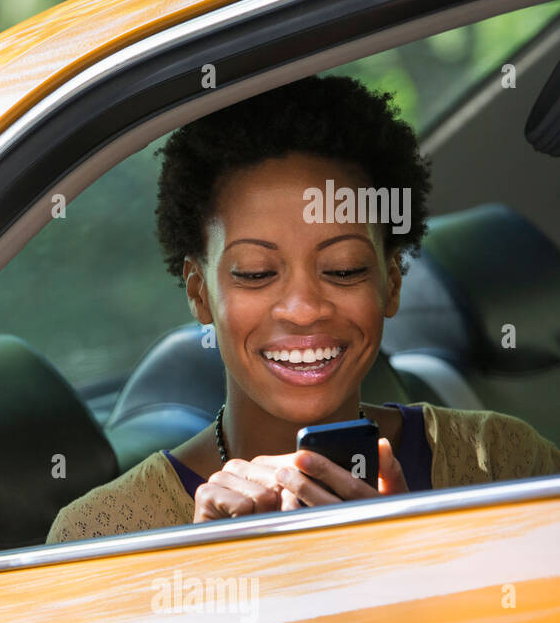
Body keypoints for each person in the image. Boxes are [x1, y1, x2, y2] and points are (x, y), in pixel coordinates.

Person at [47, 75, 560, 544]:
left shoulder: (502, 462)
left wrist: (412, 555)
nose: (303, 309)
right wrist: (209, 575)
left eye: (342, 269)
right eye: (254, 273)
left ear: (392, 282)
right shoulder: (99, 537)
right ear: (200, 293)